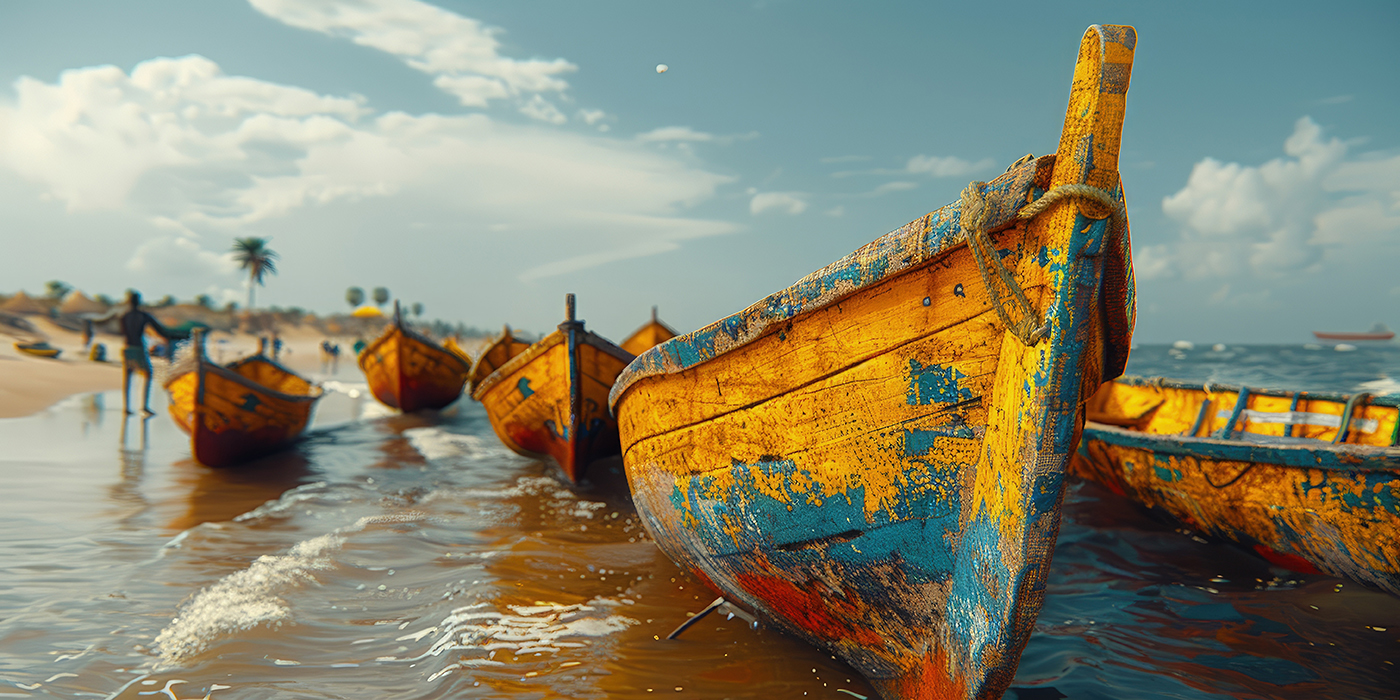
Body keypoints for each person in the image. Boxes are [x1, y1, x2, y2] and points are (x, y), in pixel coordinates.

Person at [119, 291, 171, 416]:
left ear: (128, 302)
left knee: (128, 376)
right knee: (148, 373)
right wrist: (175, 336)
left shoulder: (124, 316)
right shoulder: (143, 316)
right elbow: (160, 330)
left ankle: (127, 408)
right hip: (138, 347)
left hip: (127, 347)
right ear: (139, 302)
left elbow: (122, 332)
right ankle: (144, 406)